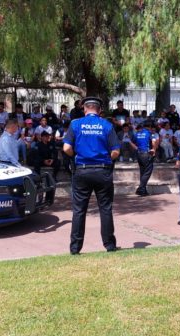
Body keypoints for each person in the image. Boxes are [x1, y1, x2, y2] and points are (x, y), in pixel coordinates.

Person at [62, 96, 121, 255]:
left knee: (79, 210)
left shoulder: (75, 124)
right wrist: (107, 159)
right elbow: (116, 151)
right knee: (105, 208)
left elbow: (66, 147)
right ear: (99, 110)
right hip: (102, 170)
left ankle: (75, 248)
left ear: (84, 108)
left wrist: (76, 155)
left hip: (82, 170)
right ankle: (109, 245)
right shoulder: (107, 125)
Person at [131, 120, 157, 196]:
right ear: (150, 127)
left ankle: (143, 191)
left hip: (139, 155)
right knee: (148, 171)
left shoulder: (137, 134)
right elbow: (154, 142)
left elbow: (132, 142)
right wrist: (154, 150)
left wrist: (137, 148)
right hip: (147, 154)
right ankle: (140, 188)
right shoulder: (150, 133)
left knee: (143, 173)